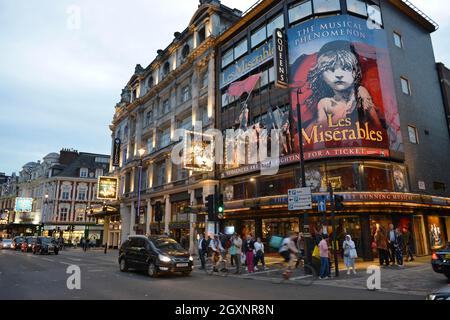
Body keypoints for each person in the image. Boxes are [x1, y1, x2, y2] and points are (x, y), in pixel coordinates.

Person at [305, 40, 383, 131]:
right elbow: (322, 131)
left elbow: (376, 124)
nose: (338, 74)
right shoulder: (324, 103)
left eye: (346, 68)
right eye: (330, 69)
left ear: (356, 71)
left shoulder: (360, 92)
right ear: (321, 75)